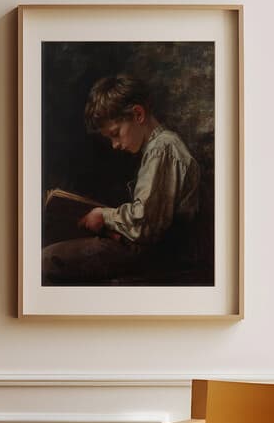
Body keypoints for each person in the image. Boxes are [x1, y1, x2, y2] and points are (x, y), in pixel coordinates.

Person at [41, 74, 200, 285]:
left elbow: (144, 225)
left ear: (138, 114)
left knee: (47, 259)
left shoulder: (162, 149)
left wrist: (104, 216)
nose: (115, 145)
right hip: (150, 249)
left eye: (116, 134)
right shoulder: (160, 148)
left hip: (160, 256)